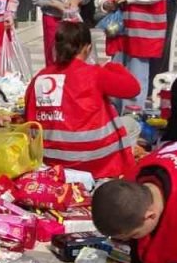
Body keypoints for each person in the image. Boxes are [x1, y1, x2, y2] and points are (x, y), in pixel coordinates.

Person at [24, 21, 140, 178]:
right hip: (95, 161)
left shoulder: (40, 77)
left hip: (50, 159)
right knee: (132, 123)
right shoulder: (95, 74)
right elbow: (133, 88)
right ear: (88, 48)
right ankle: (123, 172)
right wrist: (113, 67)